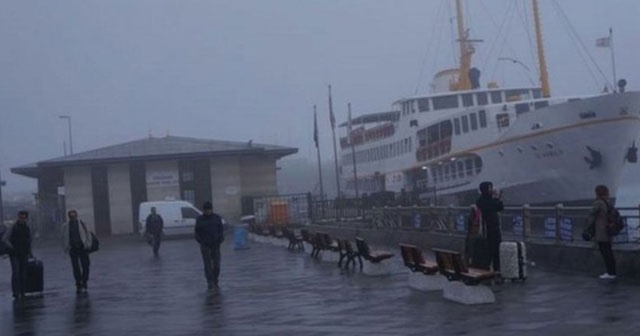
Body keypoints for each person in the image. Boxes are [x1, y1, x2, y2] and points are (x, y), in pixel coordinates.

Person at [588, 184, 616, 279]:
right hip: (609, 229)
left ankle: (610, 273)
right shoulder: (608, 202)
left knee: (605, 253)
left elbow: (591, 213)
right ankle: (612, 272)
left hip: (601, 231)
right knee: (609, 252)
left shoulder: (598, 203)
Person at [475, 181, 504, 274]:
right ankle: (496, 268)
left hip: (485, 228)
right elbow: (499, 207)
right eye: (490, 188)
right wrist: (497, 197)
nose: (491, 190)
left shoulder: (480, 200)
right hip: (492, 228)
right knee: (495, 249)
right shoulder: (488, 201)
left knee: (487, 249)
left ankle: (486, 267)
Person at [2, 210, 32, 299]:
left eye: (24, 218)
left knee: (23, 273)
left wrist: (30, 252)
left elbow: (29, 240)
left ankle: (22, 291)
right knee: (16, 273)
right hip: (15, 253)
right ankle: (16, 292)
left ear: (26, 218)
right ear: (18, 217)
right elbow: (5, 238)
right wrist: (12, 247)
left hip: (24, 253)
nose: (22, 219)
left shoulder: (27, 227)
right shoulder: (13, 227)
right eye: (21, 217)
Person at [194, 201, 224, 289]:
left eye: (209, 210)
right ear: (204, 210)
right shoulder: (200, 219)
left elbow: (221, 230)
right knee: (207, 265)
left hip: (216, 244)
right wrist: (201, 241)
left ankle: (215, 279)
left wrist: (220, 239)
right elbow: (197, 232)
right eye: (206, 210)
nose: (208, 211)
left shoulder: (217, 218)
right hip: (205, 245)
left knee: (216, 265)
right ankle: (210, 281)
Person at [61, 210, 93, 293]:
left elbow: (88, 233)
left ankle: (84, 281)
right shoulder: (65, 226)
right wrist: (66, 247)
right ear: (69, 217)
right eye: (71, 217)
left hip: (83, 247)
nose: (73, 218)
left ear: (76, 216)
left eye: (74, 216)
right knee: (76, 267)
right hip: (73, 248)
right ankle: (78, 282)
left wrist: (88, 244)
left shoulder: (82, 223)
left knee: (86, 265)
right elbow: (63, 237)